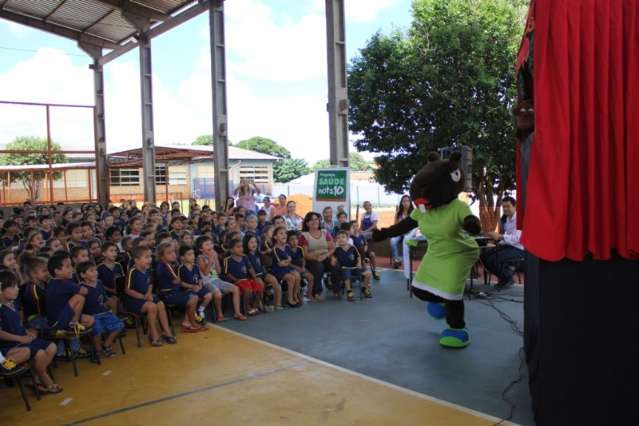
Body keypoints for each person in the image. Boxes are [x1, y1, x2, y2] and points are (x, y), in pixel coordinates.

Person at [0, 270, 62, 394]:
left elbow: (17, 324)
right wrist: (19, 338)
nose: (17, 289)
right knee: (37, 354)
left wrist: (28, 331)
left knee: (52, 347)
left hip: (22, 339)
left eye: (17, 286)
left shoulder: (13, 303)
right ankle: (6, 367)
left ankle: (34, 378)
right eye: (12, 287)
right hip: (10, 345)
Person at [124, 246, 177, 346]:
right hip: (134, 301)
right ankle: (154, 335)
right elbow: (128, 290)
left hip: (145, 297)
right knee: (152, 306)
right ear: (136, 260)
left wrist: (148, 294)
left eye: (150, 257)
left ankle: (166, 332)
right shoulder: (132, 272)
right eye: (146, 257)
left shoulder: (148, 269)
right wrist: (143, 297)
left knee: (160, 304)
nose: (150, 259)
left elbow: (150, 283)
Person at [77, 262, 124, 358]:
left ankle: (106, 345)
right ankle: (98, 350)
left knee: (119, 325)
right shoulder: (81, 288)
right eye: (92, 271)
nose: (95, 273)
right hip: (92, 316)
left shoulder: (99, 282)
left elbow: (104, 298)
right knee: (97, 329)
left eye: (95, 270)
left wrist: (109, 305)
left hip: (104, 312)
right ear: (82, 274)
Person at [155, 243, 204, 333]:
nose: (173, 254)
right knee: (194, 297)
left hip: (174, 292)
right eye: (169, 253)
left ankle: (187, 322)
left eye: (174, 252)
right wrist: (186, 285)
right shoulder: (165, 266)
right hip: (169, 295)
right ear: (162, 256)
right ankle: (192, 323)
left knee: (192, 294)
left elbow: (177, 281)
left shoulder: (168, 264)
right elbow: (176, 281)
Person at [195, 236, 246, 321]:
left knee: (235, 289)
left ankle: (237, 313)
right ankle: (220, 314)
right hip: (207, 282)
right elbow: (205, 273)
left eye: (211, 244)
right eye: (207, 245)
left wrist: (215, 259)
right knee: (218, 294)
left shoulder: (214, 255)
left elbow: (218, 271)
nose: (210, 246)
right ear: (201, 249)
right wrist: (211, 259)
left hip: (217, 280)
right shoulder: (200, 258)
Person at [480, 196, 525, 289]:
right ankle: (506, 276)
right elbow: (507, 237)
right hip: (509, 246)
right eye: (503, 207)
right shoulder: (507, 219)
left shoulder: (520, 219)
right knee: (484, 256)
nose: (505, 209)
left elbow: (516, 238)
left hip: (519, 249)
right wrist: (497, 242)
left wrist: (499, 236)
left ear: (515, 206)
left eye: (508, 206)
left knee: (494, 259)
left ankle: (507, 278)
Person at [46, 252, 95, 333]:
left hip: (63, 317)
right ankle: (73, 325)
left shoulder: (54, 281)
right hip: (57, 322)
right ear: (57, 271)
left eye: (71, 265)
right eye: (68, 266)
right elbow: (85, 291)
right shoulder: (62, 284)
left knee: (91, 320)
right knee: (79, 297)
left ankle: (71, 328)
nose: (72, 269)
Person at [299, 212, 340, 300]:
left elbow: (332, 248)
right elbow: (305, 255)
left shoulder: (325, 232)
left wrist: (330, 257)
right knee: (318, 267)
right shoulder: (304, 236)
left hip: (326, 256)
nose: (314, 221)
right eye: (311, 220)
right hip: (311, 260)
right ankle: (316, 292)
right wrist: (316, 258)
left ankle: (336, 290)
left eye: (316, 219)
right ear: (307, 223)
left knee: (335, 264)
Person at [223, 239, 264, 315]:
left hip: (246, 279)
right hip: (235, 281)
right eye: (238, 247)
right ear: (231, 250)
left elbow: (250, 268)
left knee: (259, 287)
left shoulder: (245, 257)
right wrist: (236, 280)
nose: (241, 249)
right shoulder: (227, 260)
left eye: (241, 247)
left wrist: (255, 278)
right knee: (247, 289)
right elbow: (227, 273)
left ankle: (254, 307)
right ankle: (246, 309)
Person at [244, 234, 281, 311]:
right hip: (253, 276)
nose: (254, 244)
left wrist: (265, 273)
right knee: (261, 284)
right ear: (246, 244)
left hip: (262, 273)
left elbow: (262, 265)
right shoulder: (246, 255)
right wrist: (255, 277)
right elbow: (249, 268)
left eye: (255, 242)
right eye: (251, 242)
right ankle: (260, 303)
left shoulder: (258, 253)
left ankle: (277, 303)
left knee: (274, 280)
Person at [177, 245, 213, 325]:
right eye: (189, 254)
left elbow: (199, 278)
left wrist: (200, 285)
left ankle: (200, 309)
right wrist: (192, 287)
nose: (192, 256)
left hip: (197, 287)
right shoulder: (181, 268)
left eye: (193, 254)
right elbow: (180, 283)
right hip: (188, 290)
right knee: (194, 298)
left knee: (209, 295)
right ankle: (194, 314)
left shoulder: (195, 266)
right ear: (182, 257)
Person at [333, 230, 372, 301]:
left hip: (355, 268)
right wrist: (333, 261)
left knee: (368, 274)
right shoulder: (337, 250)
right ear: (336, 240)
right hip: (345, 268)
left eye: (343, 237)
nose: (341, 239)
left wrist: (359, 263)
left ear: (347, 239)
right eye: (338, 238)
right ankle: (349, 291)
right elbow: (333, 259)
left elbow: (358, 256)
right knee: (346, 274)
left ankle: (364, 288)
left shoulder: (352, 247)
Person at [271, 227, 301, 307]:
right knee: (291, 278)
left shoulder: (287, 246)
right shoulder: (275, 249)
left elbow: (289, 258)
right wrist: (287, 261)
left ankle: (295, 295)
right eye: (281, 233)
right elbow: (280, 264)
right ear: (275, 237)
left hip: (286, 268)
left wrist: (287, 261)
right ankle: (289, 299)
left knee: (297, 275)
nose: (284, 235)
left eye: (285, 233)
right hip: (278, 270)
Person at [287, 231, 315, 301]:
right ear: (288, 241)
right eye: (292, 239)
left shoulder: (300, 248)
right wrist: (298, 268)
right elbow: (288, 263)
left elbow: (303, 259)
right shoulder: (287, 249)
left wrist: (303, 267)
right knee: (297, 277)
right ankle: (296, 295)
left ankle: (309, 294)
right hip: (291, 269)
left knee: (311, 277)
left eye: (296, 239)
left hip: (301, 268)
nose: (294, 241)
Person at [390, 195, 413, 268]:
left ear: (410, 202)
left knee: (406, 243)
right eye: (404, 201)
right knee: (392, 241)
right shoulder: (398, 213)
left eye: (407, 201)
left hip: (410, 233)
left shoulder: (413, 213)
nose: (405, 203)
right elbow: (395, 225)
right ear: (401, 203)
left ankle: (401, 259)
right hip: (399, 233)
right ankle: (397, 260)